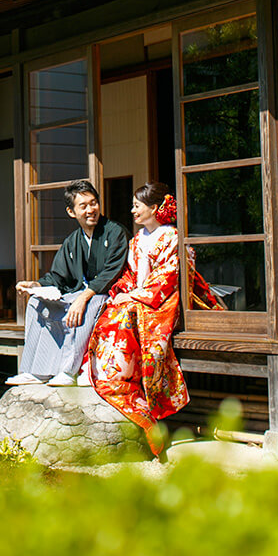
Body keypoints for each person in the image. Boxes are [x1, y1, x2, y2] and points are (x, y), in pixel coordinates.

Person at [87, 182, 187, 457]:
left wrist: (135, 297)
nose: (132, 211)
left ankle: (123, 377)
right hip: (138, 296)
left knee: (127, 316)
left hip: (161, 300)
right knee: (110, 313)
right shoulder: (138, 239)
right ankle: (111, 375)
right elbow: (130, 274)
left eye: (137, 206)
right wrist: (123, 291)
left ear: (154, 208)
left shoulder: (172, 237)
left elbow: (167, 277)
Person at [6, 180, 128, 387]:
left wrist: (83, 297)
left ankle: (68, 370)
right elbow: (59, 277)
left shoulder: (115, 232)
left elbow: (111, 273)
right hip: (81, 292)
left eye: (94, 203)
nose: (91, 209)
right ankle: (34, 371)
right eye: (84, 206)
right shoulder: (73, 241)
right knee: (36, 303)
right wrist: (35, 285)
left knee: (86, 306)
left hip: (106, 293)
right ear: (72, 212)